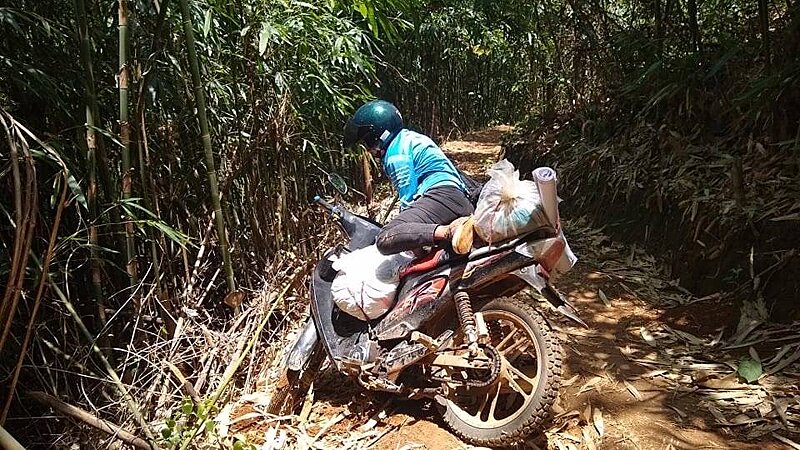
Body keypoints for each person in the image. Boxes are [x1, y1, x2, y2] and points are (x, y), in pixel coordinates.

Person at [343, 100, 475, 255]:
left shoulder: (395, 154)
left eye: (367, 142)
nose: (368, 149)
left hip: (442, 196)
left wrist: (407, 240)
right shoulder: (409, 138)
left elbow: (408, 199)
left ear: (377, 135)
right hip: (457, 197)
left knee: (385, 237)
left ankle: (450, 231)